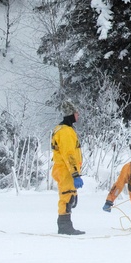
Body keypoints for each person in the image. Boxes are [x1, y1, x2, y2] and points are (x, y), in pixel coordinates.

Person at [51, 100, 84, 235]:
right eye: (76, 113)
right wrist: (75, 173)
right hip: (66, 170)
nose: (78, 115)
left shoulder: (62, 129)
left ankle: (66, 225)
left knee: (70, 196)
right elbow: (69, 154)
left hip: (64, 169)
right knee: (67, 196)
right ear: (71, 114)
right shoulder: (65, 131)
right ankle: (64, 226)